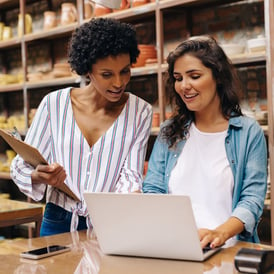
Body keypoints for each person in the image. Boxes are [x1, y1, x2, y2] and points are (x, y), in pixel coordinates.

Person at [10, 18, 152, 236]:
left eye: (125, 71)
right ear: (87, 70)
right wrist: (40, 176)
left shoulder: (140, 111)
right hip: (58, 220)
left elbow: (131, 175)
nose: (118, 82)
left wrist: (132, 202)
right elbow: (22, 165)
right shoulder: (54, 104)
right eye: (107, 74)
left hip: (111, 223)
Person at [142, 36, 267, 248]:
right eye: (178, 78)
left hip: (227, 250)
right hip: (176, 248)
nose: (184, 86)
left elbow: (252, 199)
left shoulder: (248, 132)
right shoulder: (169, 131)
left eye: (194, 76)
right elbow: (153, 189)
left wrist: (219, 233)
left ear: (217, 76)